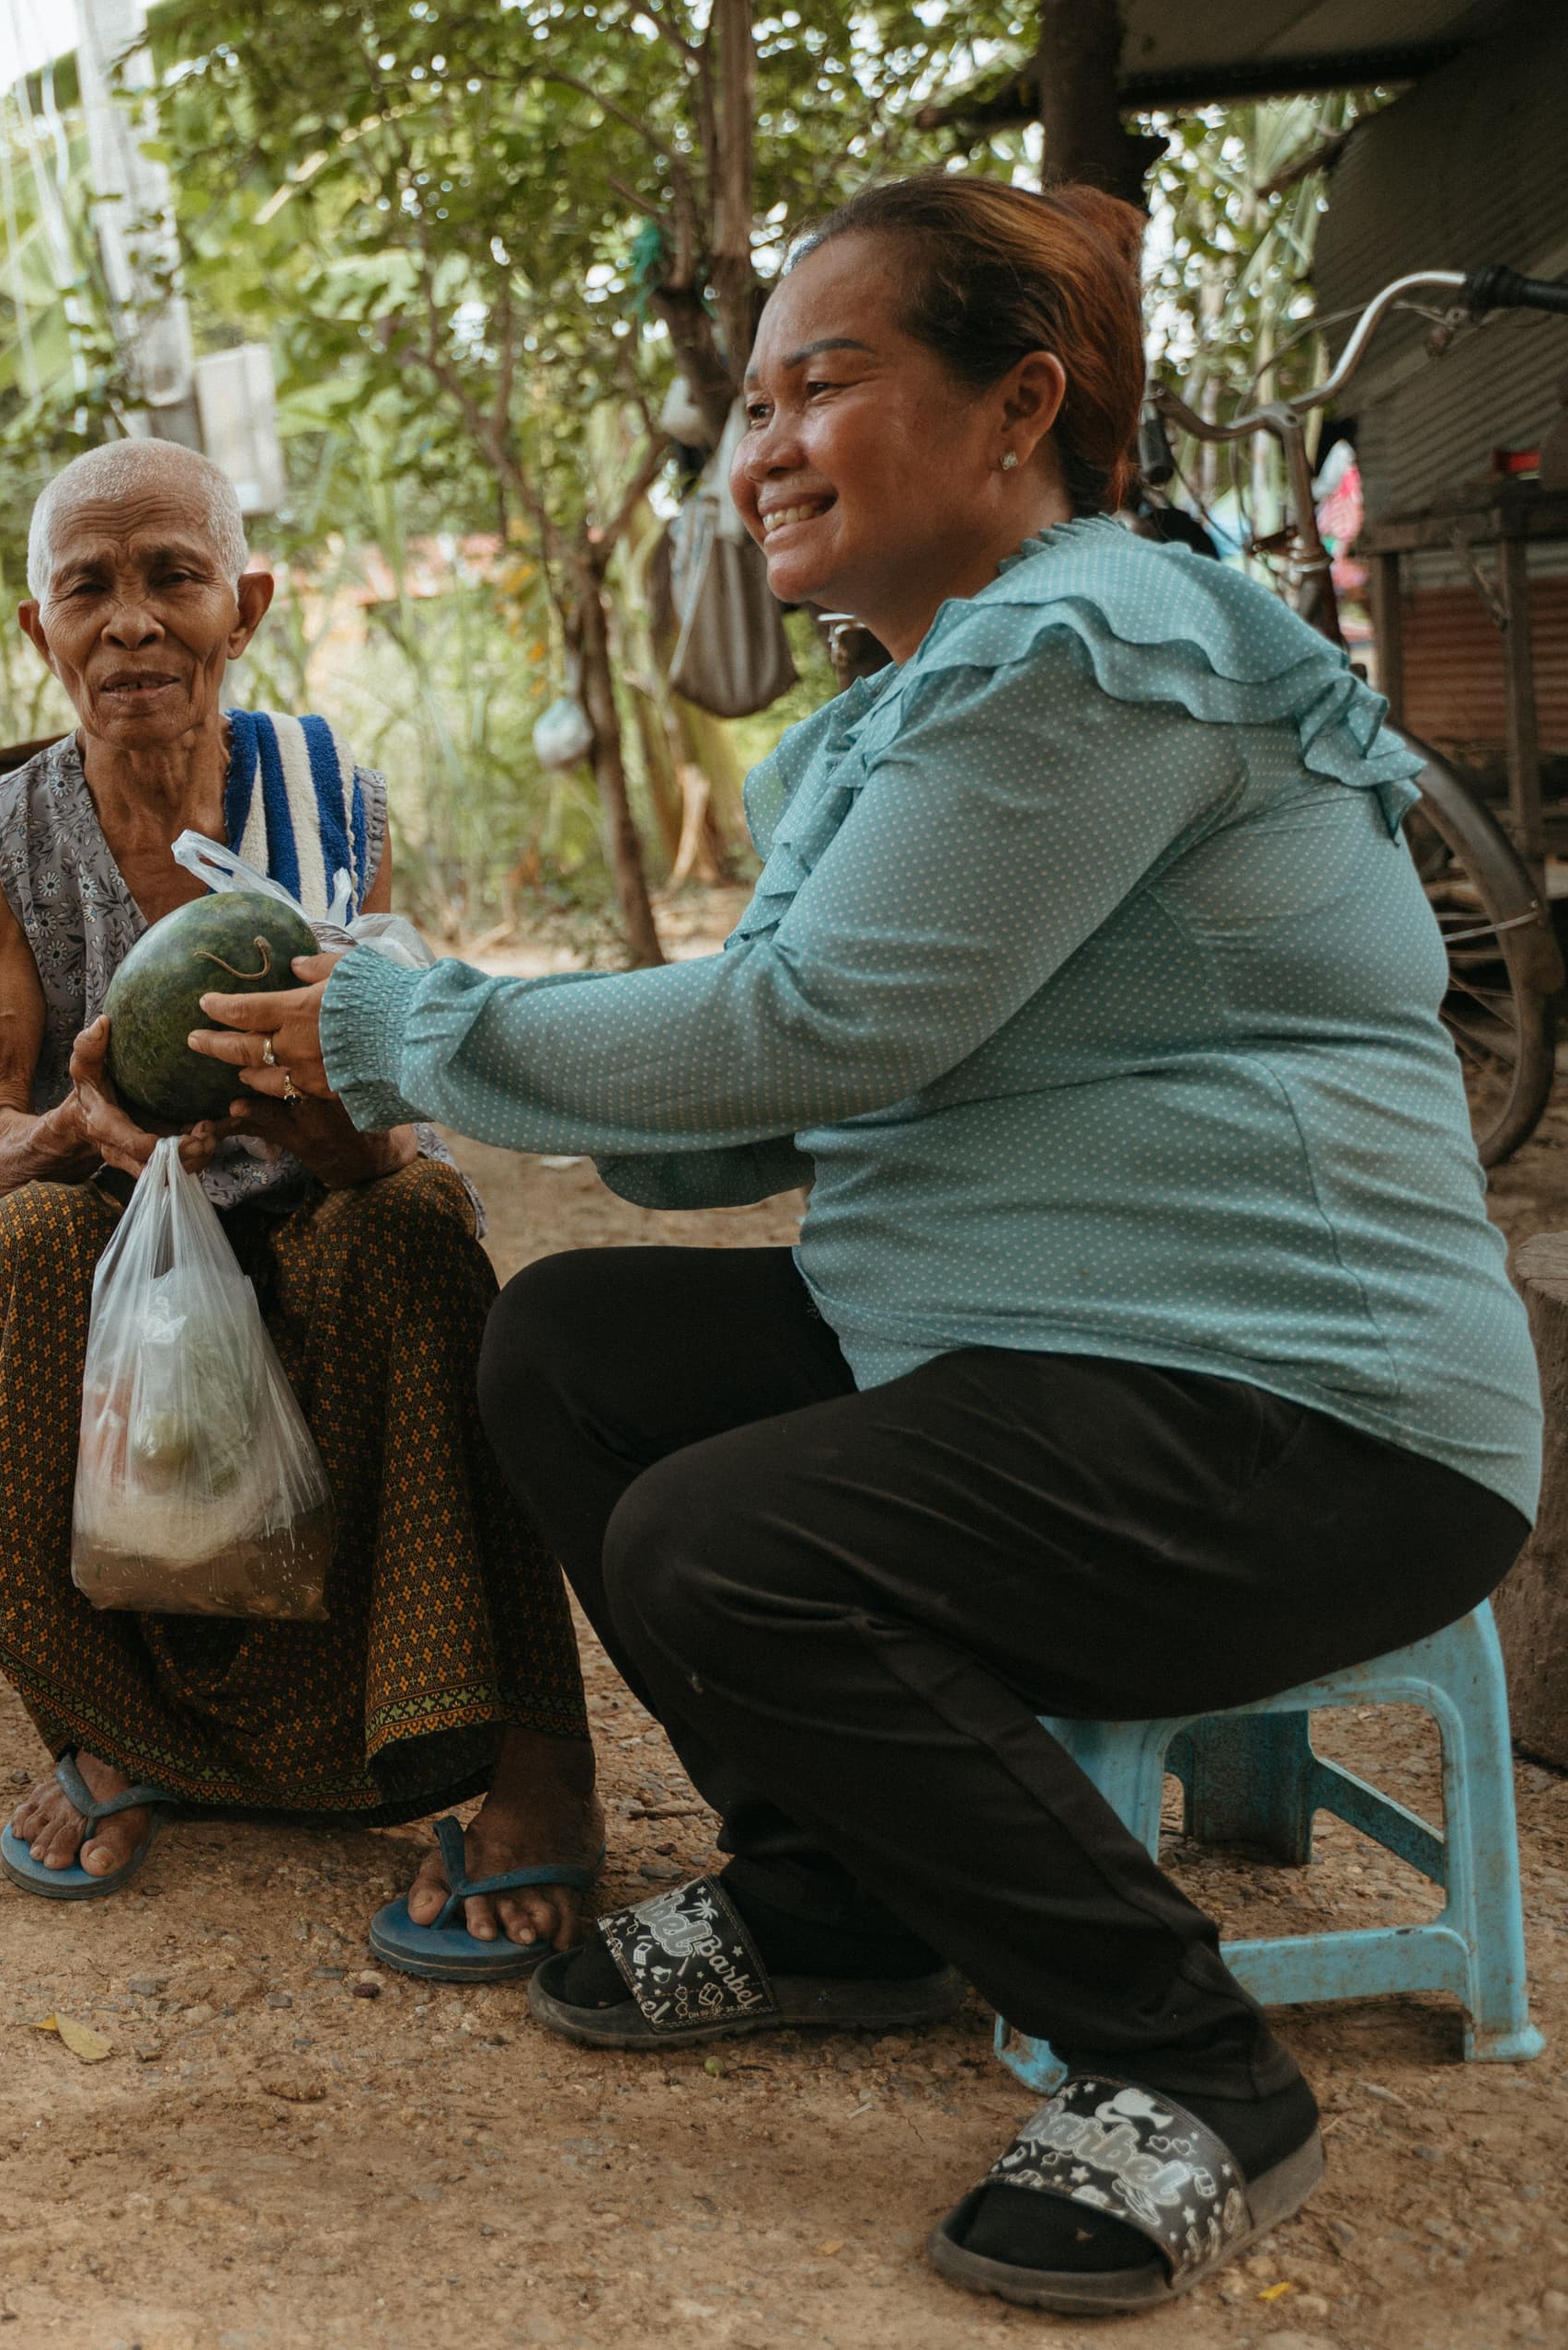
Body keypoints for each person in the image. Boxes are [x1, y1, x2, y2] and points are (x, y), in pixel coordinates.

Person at [189, 178, 1537, 2314]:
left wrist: (410, 1018)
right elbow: (782, 1106)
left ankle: (1190, 2068)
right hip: (1047, 1352)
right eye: (750, 403)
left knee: (734, 1541)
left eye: (825, 383)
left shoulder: (1105, 646)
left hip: (1310, 1420)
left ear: (1022, 408)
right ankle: (841, 1901)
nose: (765, 447)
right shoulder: (908, 711)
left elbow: (825, 1023)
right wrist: (413, 1067)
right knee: (576, 1351)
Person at [0, 436, 599, 1968]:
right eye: (87, 589)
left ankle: (526, 1749)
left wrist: (334, 1130)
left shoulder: (330, 798)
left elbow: (403, 1125)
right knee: (27, 1237)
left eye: (174, 577)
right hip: (122, 1238)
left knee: (423, 1229)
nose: (133, 624)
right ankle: (108, 1726)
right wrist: (75, 1133)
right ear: (37, 631)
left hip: (315, 1215)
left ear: (246, 603)